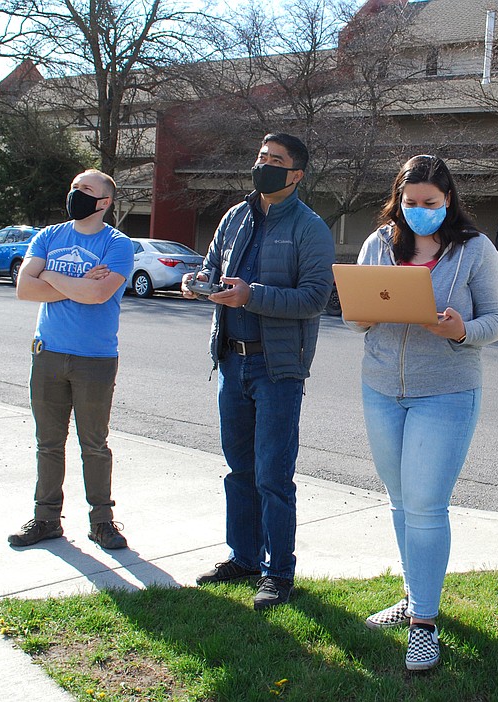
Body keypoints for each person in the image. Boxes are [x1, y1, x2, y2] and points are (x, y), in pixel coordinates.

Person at [351, 155, 498, 671]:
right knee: (399, 501)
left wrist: (460, 330)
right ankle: (412, 594)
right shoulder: (379, 243)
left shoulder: (475, 249)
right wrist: (364, 315)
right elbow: (356, 316)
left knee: (425, 505)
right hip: (380, 388)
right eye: (409, 202)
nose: (418, 211)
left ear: (448, 201)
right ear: (398, 199)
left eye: (430, 203)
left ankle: (425, 624)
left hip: (445, 391)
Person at [182, 133, 335, 610]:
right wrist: (196, 283)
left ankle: (278, 573)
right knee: (239, 470)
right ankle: (244, 557)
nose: (263, 164)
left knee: (273, 474)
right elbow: (210, 268)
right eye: (261, 156)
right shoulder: (234, 217)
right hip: (232, 361)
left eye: (275, 160)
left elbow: (315, 298)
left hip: (278, 368)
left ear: (296, 175)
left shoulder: (310, 228)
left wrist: (253, 295)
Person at [8, 169, 135, 551]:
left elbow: (98, 296)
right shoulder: (48, 236)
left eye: (85, 190)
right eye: (74, 187)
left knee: (94, 444)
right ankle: (46, 519)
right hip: (47, 353)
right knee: (48, 442)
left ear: (105, 203)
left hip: (94, 359)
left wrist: (49, 274)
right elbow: (23, 289)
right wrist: (76, 283)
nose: (75, 194)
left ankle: (102, 522)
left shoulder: (118, 244)